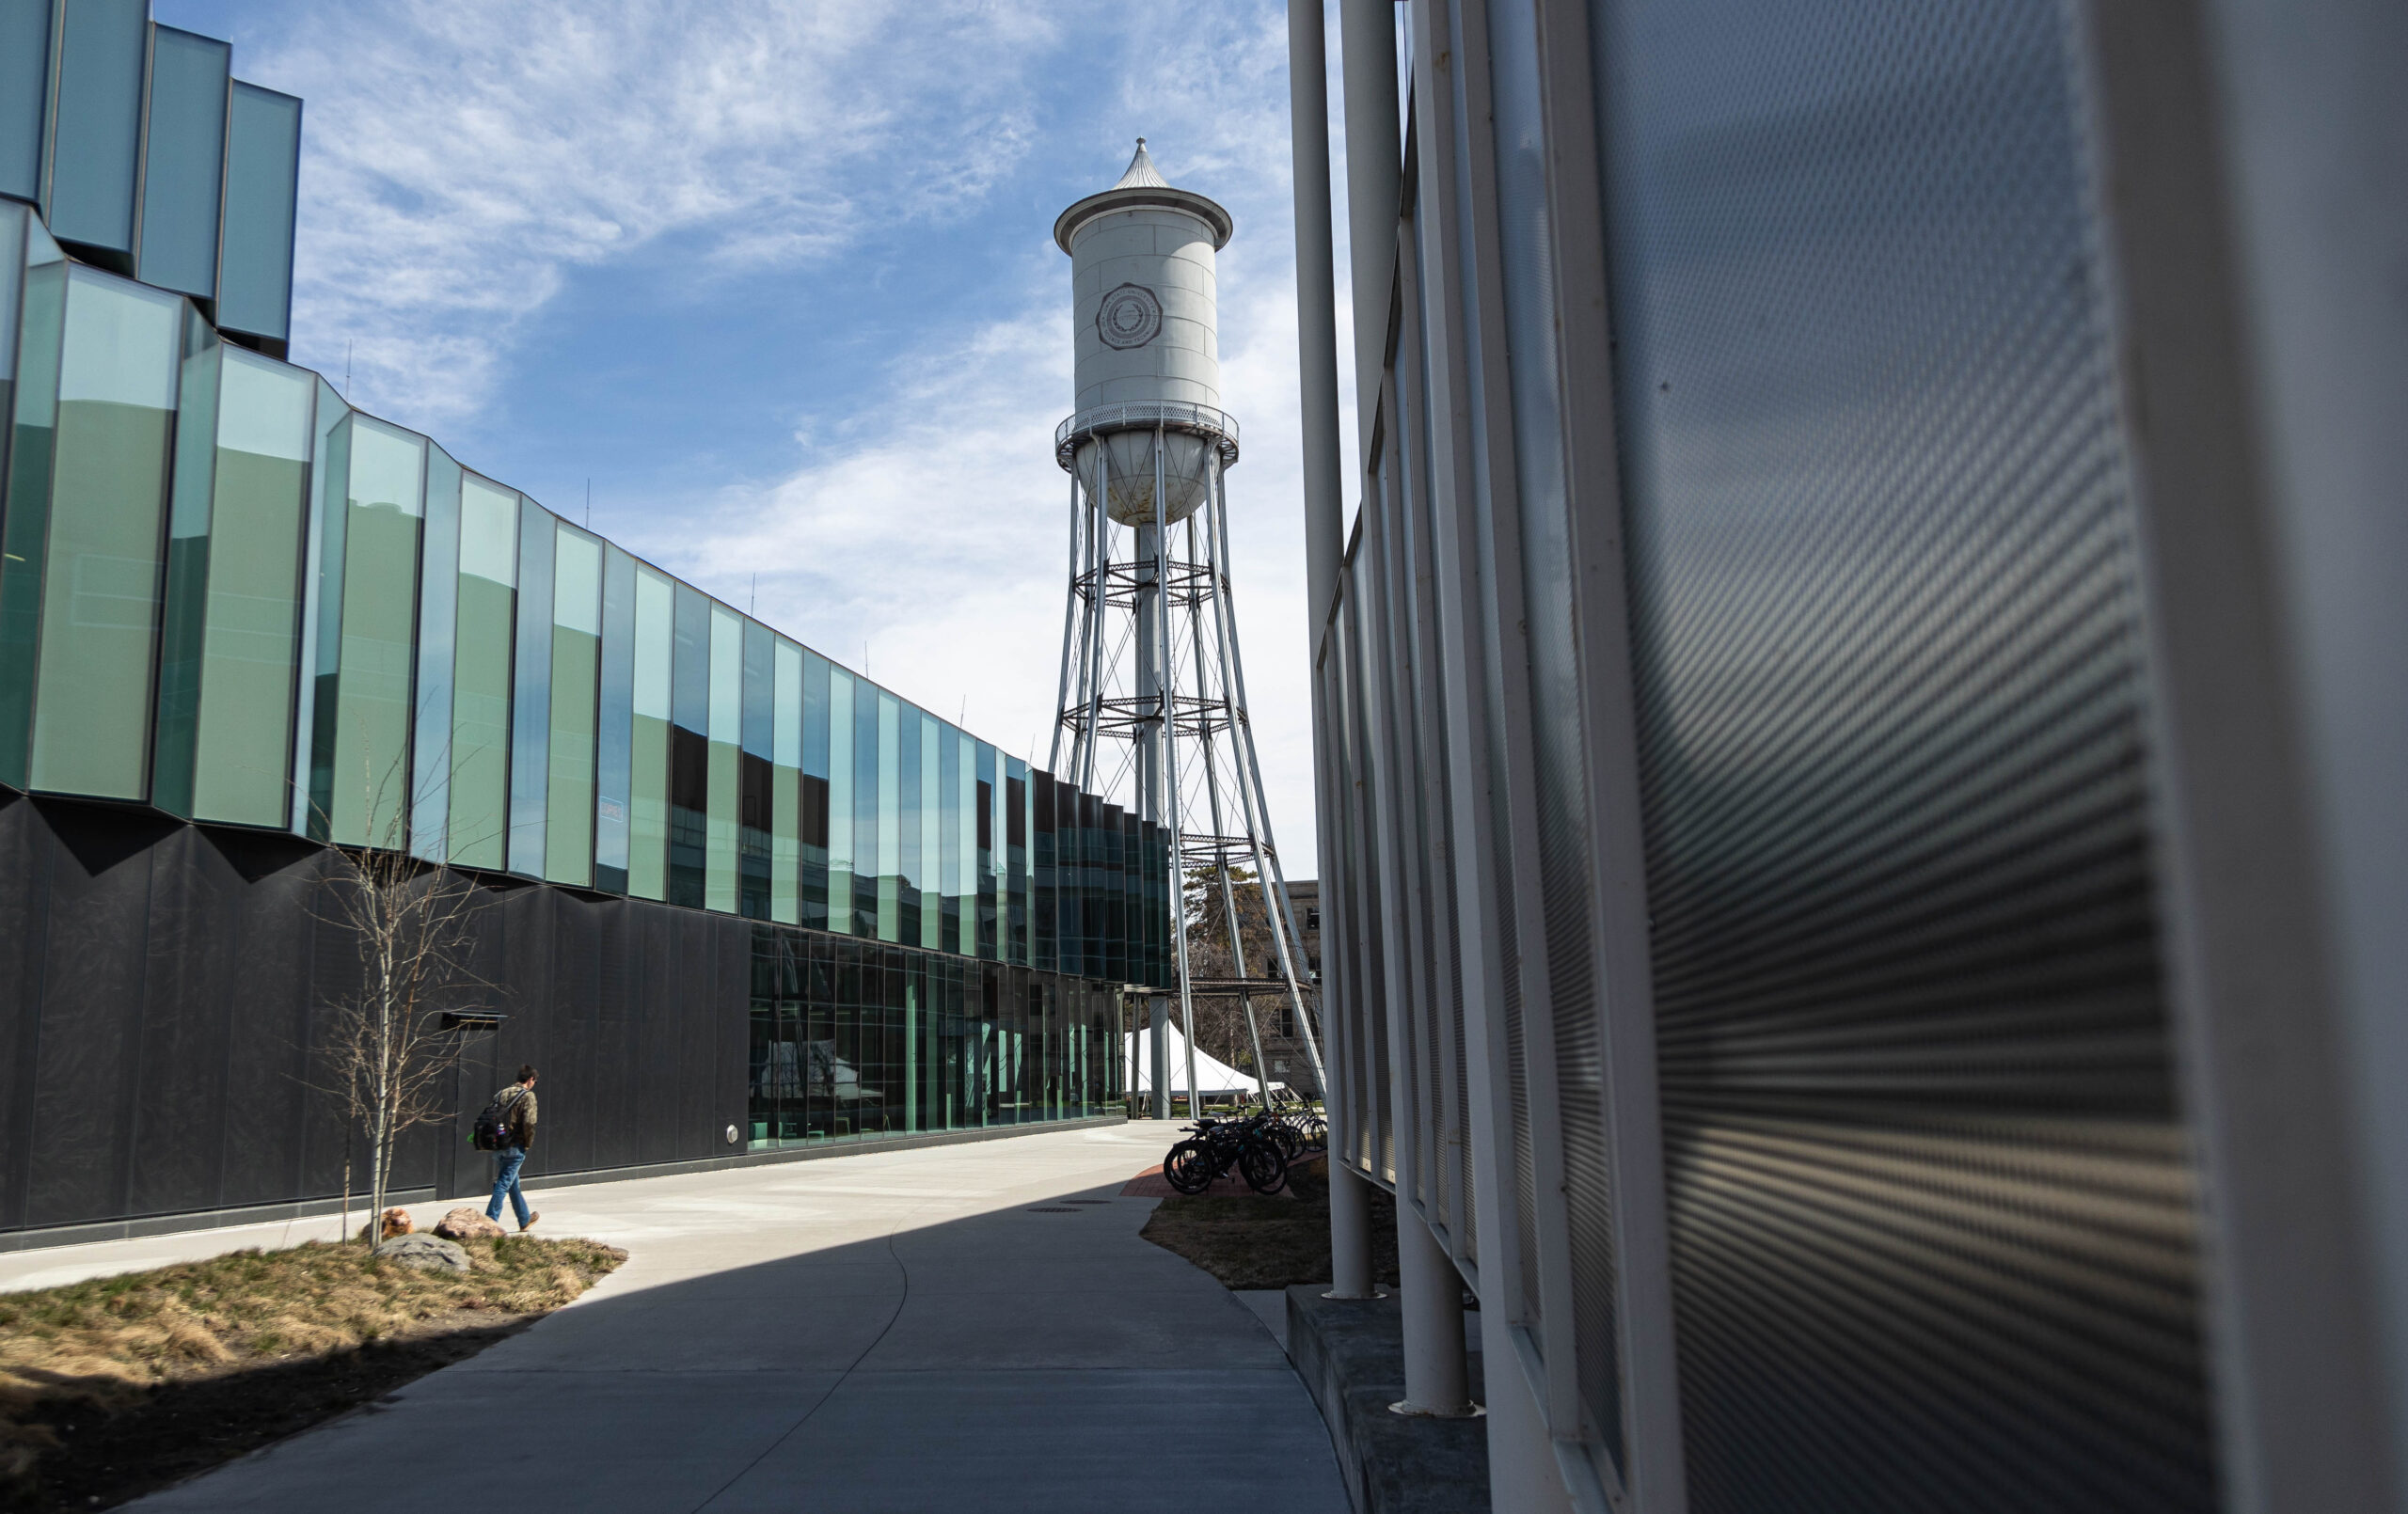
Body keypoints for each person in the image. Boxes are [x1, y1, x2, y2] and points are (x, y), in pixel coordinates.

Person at [485, 1064, 542, 1232]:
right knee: (503, 1184)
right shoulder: (528, 1096)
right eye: (535, 1081)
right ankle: (489, 1223)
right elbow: (529, 1122)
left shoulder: (500, 1093)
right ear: (531, 1079)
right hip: (514, 1147)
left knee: (512, 1183)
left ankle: (524, 1219)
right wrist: (527, 1143)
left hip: (497, 1145)